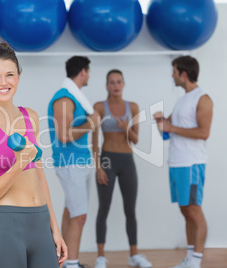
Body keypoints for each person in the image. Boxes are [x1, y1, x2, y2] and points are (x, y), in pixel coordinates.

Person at [0, 42, 67, 268]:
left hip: (41, 226)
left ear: (19, 77)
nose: (3, 82)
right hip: (7, 229)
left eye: (9, 74)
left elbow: (40, 178)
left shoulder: (30, 116)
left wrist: (55, 229)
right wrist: (18, 164)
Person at [154, 56, 213, 268]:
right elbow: (168, 133)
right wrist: (161, 123)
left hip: (192, 164)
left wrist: (170, 127)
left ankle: (196, 262)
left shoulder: (202, 99)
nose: (172, 75)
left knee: (194, 211)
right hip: (176, 163)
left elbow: (203, 133)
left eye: (174, 71)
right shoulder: (182, 100)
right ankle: (189, 259)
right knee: (185, 210)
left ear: (183, 74)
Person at [92, 69, 152, 268]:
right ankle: (101, 256)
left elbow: (135, 139)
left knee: (130, 210)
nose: (115, 85)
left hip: (127, 160)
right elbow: (94, 140)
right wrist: (98, 167)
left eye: (118, 82)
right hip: (107, 159)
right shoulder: (99, 107)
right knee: (104, 208)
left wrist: (126, 127)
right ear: (107, 85)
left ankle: (134, 255)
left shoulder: (132, 107)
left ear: (123, 84)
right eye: (111, 82)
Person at [47, 56, 100, 268]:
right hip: (70, 163)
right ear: (83, 72)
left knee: (71, 212)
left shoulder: (75, 97)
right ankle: (72, 264)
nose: (88, 75)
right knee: (79, 216)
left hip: (80, 162)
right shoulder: (64, 98)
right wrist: (91, 123)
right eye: (88, 71)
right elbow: (63, 135)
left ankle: (65, 262)